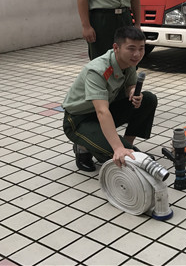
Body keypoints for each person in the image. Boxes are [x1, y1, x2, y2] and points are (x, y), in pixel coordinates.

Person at [62, 26, 157, 171]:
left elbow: (130, 85)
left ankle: (128, 145)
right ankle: (82, 147)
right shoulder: (97, 70)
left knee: (148, 99)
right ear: (116, 48)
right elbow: (102, 111)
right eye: (131, 48)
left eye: (141, 48)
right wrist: (118, 148)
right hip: (79, 119)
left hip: (103, 111)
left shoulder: (129, 62)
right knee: (117, 158)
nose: (137, 54)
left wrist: (133, 91)